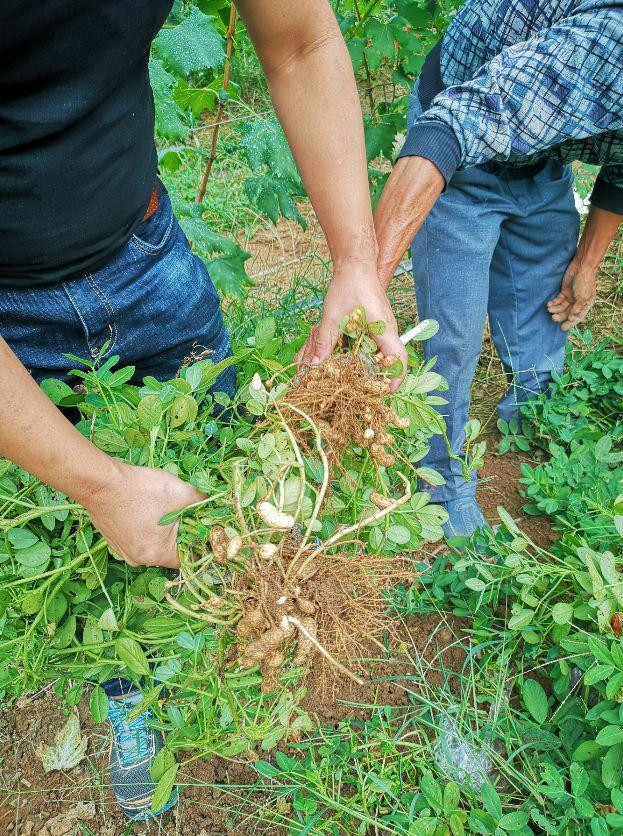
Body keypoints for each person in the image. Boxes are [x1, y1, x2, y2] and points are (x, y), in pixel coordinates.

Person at [0, 0, 406, 819]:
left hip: (145, 256)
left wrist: (356, 259)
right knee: (95, 540)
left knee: (219, 476)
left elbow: (300, 39)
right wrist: (96, 483)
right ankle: (132, 687)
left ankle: (220, 631)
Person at [374, 0, 623, 539]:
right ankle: (440, 478)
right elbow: (448, 131)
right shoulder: (607, 53)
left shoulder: (579, 95)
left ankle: (533, 420)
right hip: (461, 144)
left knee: (544, 314)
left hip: (543, 147)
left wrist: (587, 261)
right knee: (454, 337)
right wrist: (365, 288)